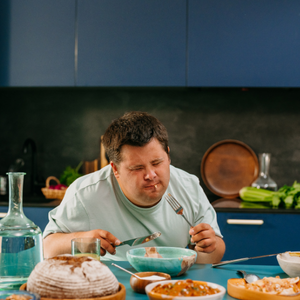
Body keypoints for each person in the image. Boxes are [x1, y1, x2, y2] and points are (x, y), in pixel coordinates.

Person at [43, 111, 225, 264]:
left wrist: (206, 247)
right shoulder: (84, 193)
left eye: (157, 162)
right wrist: (81, 241)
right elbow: (47, 249)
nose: (151, 175)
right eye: (137, 168)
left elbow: (216, 252)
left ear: (168, 156)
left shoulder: (188, 186)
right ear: (115, 169)